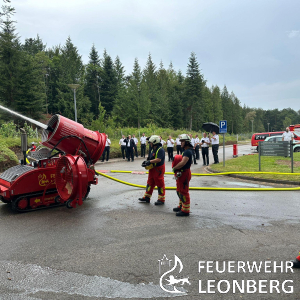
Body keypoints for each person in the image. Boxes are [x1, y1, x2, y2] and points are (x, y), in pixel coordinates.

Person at [138, 135, 165, 205]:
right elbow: (151, 157)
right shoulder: (153, 149)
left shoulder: (160, 150)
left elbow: (159, 159)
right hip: (153, 169)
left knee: (160, 184)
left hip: (159, 169)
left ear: (155, 143)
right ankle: (147, 197)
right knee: (150, 183)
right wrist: (146, 162)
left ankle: (161, 199)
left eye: (151, 143)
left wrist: (149, 162)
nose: (150, 144)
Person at [172, 134, 193, 217]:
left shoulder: (188, 151)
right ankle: (181, 206)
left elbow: (183, 162)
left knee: (184, 191)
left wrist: (175, 167)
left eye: (182, 141)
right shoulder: (185, 151)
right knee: (179, 190)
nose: (181, 143)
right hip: (182, 173)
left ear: (187, 142)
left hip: (185, 173)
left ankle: (185, 210)